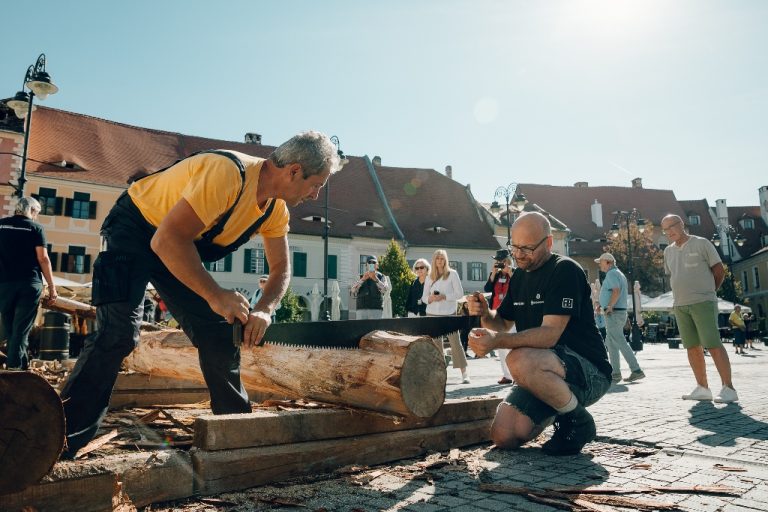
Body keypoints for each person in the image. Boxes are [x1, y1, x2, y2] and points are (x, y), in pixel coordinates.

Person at [59, 130, 341, 458]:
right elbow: (166, 240)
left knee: (220, 332)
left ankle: (235, 435)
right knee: (117, 334)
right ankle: (60, 437)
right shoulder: (227, 175)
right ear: (293, 170)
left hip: (178, 244)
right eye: (317, 183)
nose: (316, 194)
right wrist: (216, 294)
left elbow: (281, 269)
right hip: (134, 230)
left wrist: (265, 309)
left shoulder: (274, 211)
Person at [466, 212, 611, 455]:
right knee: (505, 434)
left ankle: (578, 421)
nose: (519, 254)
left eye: (527, 248)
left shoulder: (565, 270)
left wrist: (497, 342)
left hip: (588, 371)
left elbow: (549, 335)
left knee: (518, 358)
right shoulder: (520, 275)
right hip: (542, 371)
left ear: (549, 243)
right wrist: (483, 313)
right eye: (514, 247)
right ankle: (560, 406)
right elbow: (502, 322)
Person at [661, 214, 738, 403]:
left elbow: (719, 271)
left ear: (682, 225)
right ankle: (703, 388)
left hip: (703, 302)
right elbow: (675, 276)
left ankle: (729, 388)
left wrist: (708, 293)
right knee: (691, 347)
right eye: (665, 229)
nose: (669, 231)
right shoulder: (668, 252)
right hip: (680, 304)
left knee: (712, 344)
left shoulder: (702, 243)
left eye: (672, 226)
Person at [0, 197, 58, 369]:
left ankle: (20, 368)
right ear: (31, 210)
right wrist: (52, 287)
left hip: (4, 285)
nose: (37, 217)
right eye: (37, 213)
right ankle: (15, 369)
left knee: (10, 328)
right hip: (28, 284)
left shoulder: (1, 225)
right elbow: (43, 258)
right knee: (20, 330)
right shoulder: (35, 228)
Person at [595, 253, 645, 384]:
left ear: (608, 262)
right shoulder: (618, 273)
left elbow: (616, 291)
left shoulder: (611, 274)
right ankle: (615, 373)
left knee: (619, 341)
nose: (599, 265)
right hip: (617, 312)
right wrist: (602, 304)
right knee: (611, 344)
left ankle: (636, 370)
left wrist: (609, 306)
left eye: (601, 262)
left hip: (614, 313)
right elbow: (613, 292)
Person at [423, 249, 470, 383]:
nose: (440, 261)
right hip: (432, 313)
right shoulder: (429, 276)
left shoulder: (452, 274)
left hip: (449, 313)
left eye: (442, 258)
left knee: (456, 343)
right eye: (437, 259)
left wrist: (444, 297)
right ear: (434, 260)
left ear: (445, 260)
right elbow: (423, 297)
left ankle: (464, 373)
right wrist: (431, 298)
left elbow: (459, 294)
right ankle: (440, 374)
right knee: (437, 345)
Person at [484, 249, 515, 385]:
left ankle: (516, 374)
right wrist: (493, 274)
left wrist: (510, 272)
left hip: (512, 314)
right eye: (497, 261)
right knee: (501, 345)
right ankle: (507, 375)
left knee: (512, 344)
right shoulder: (496, 275)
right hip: (497, 314)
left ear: (508, 261)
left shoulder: (514, 272)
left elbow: (521, 287)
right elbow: (487, 289)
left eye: (502, 261)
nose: (500, 263)